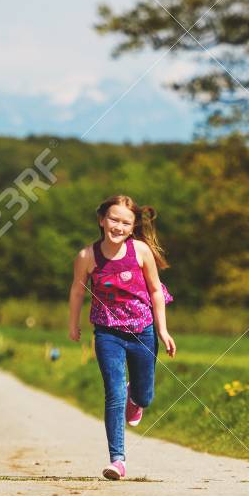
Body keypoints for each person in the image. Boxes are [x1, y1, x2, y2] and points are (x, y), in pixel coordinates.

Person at [68, 194, 176, 480]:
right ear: (102, 221)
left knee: (145, 396)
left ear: (132, 227)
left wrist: (162, 330)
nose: (118, 226)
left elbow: (155, 291)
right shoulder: (87, 256)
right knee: (113, 393)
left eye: (126, 222)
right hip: (107, 334)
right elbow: (78, 291)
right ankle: (118, 460)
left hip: (143, 331)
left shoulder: (140, 251)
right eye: (113, 219)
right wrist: (73, 324)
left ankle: (135, 397)